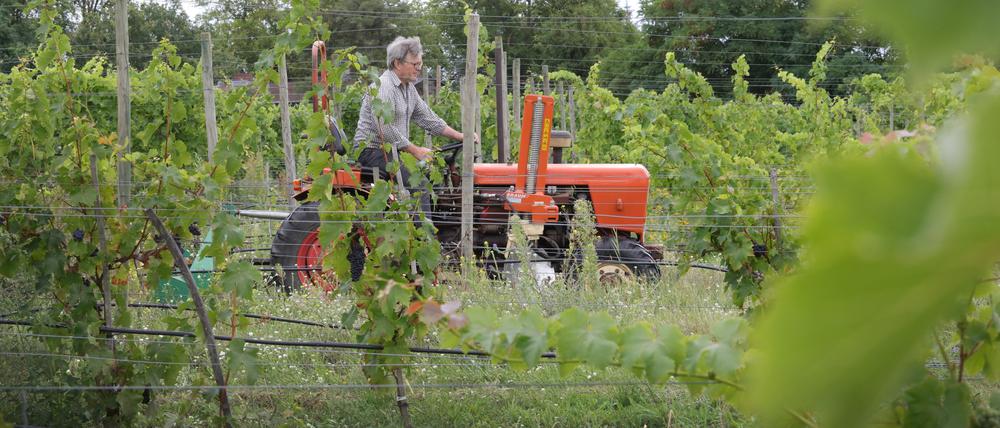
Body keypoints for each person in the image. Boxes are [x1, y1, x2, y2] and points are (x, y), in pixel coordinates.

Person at [353, 36, 476, 220]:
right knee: (419, 187)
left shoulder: (408, 88)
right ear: (397, 63)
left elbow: (427, 118)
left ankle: (444, 231)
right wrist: (415, 150)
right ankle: (425, 241)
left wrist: (461, 136)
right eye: (415, 64)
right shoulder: (384, 87)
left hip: (392, 151)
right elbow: (385, 129)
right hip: (373, 151)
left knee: (435, 178)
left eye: (420, 63)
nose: (419, 68)